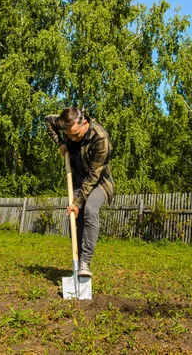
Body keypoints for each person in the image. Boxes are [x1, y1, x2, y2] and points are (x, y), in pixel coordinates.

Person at [45, 107, 114, 277]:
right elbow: (48, 120)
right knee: (74, 219)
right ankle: (77, 262)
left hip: (99, 183)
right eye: (69, 135)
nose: (73, 138)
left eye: (76, 135)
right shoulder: (67, 123)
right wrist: (60, 143)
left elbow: (93, 176)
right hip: (77, 181)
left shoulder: (101, 138)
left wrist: (77, 202)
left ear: (84, 123)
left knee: (89, 210)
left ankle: (85, 262)